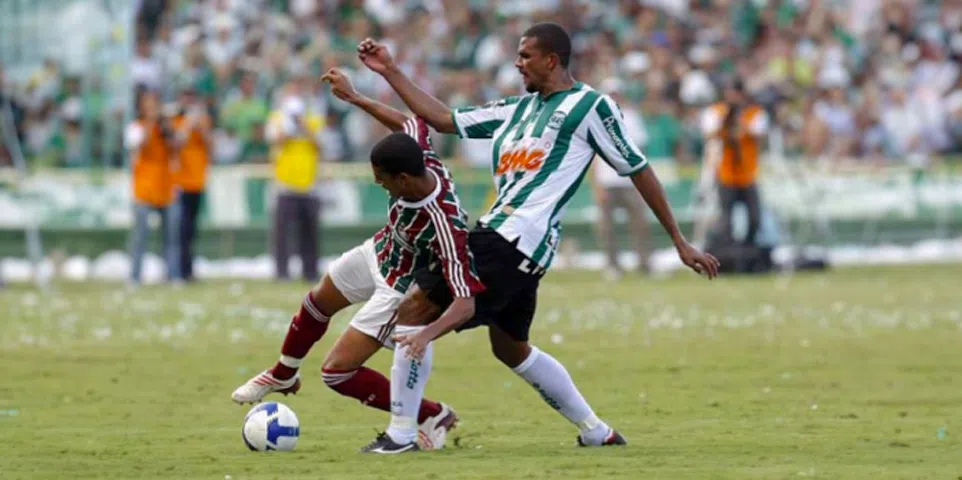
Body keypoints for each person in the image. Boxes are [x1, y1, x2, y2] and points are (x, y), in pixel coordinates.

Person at [354, 22, 720, 450]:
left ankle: (402, 435)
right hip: (518, 245)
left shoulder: (590, 107)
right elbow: (443, 119)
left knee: (416, 308)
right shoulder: (517, 109)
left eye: (525, 55)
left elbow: (636, 167)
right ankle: (597, 432)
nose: (517, 62)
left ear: (552, 60)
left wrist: (678, 239)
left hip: (512, 238)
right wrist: (390, 71)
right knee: (510, 348)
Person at [232, 69, 484, 453]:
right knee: (317, 302)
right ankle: (283, 373)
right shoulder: (419, 158)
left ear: (402, 178)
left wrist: (424, 334)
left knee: (336, 373)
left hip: (398, 289)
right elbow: (409, 122)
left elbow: (466, 302)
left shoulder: (445, 225)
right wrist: (354, 98)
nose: (378, 183)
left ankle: (431, 414)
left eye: (382, 179)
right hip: (380, 251)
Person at [265, 77, 324, 282]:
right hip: (284, 183)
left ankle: (310, 270)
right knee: (282, 234)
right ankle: (282, 272)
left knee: (310, 233)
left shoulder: (313, 118)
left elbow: (320, 144)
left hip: (309, 183)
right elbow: (275, 139)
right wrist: (290, 124)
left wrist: (303, 125)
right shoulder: (277, 118)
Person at [700, 78, 768, 246]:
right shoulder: (716, 112)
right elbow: (708, 134)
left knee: (754, 218)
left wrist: (741, 124)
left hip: (748, 173)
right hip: (725, 173)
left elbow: (760, 134)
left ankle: (748, 249)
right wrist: (725, 124)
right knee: (726, 219)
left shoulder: (754, 113)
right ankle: (729, 251)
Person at [124, 88, 181, 285]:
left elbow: (177, 147)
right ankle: (134, 277)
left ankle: (173, 275)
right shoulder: (135, 127)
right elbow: (138, 145)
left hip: (166, 189)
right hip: (144, 190)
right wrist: (151, 122)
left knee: (171, 238)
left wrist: (165, 126)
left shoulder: (165, 127)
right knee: (140, 238)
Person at [171, 88, 212, 282]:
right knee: (179, 229)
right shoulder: (176, 121)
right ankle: (177, 269)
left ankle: (188, 270)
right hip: (179, 182)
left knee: (191, 230)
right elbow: (176, 143)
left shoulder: (202, 121)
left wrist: (199, 126)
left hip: (197, 181)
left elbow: (211, 145)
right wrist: (188, 124)